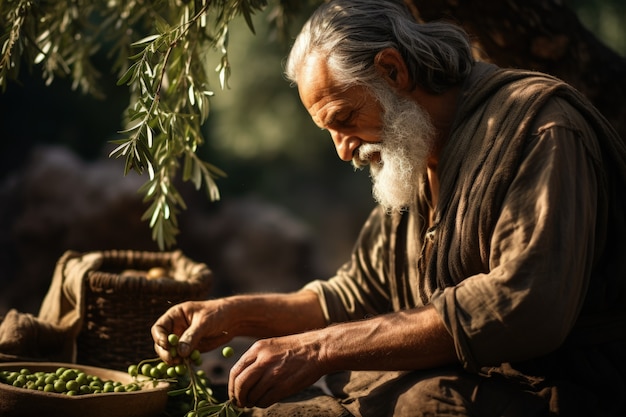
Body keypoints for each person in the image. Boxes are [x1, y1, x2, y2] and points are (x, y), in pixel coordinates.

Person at [151, 0, 626, 415]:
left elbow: (524, 306)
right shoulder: (414, 153)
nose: (342, 150)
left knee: (420, 402)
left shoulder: (540, 130)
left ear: (393, 71)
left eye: (344, 119)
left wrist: (320, 349)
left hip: (568, 395)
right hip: (481, 389)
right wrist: (236, 315)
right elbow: (354, 293)